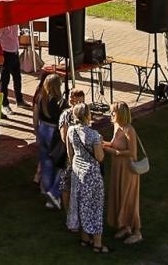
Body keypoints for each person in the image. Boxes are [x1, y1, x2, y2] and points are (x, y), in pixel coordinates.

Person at [64, 103, 108, 253]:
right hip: (92, 174)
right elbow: (100, 157)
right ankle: (97, 244)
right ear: (88, 115)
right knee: (95, 207)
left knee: (81, 204)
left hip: (77, 171)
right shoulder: (94, 135)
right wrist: (100, 143)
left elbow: (70, 154)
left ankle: (84, 239)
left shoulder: (70, 131)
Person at [103, 102, 143, 245]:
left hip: (127, 169)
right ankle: (125, 227)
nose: (111, 115)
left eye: (113, 112)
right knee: (119, 195)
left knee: (129, 198)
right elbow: (114, 143)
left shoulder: (129, 129)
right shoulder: (117, 126)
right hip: (117, 167)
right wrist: (101, 143)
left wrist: (113, 152)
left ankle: (137, 231)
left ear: (120, 114)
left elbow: (132, 152)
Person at [32, 73, 65, 208]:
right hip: (55, 133)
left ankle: (45, 190)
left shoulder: (40, 99)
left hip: (43, 130)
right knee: (60, 164)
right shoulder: (60, 102)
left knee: (45, 162)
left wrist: (37, 132)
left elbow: (35, 118)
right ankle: (53, 194)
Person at [55, 86, 85, 216]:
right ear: (71, 101)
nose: (81, 105)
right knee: (67, 184)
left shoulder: (84, 113)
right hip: (69, 155)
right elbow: (64, 137)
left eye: (82, 102)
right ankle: (68, 212)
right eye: (78, 102)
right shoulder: (65, 115)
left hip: (82, 155)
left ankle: (78, 210)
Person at [0, 23, 25, 110]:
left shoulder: (15, 24)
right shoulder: (2, 25)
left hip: (15, 53)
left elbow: (15, 36)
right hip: (6, 53)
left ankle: (19, 100)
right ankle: (5, 103)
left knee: (17, 78)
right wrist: (0, 55)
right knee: (5, 80)